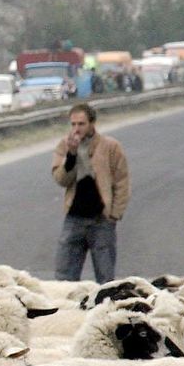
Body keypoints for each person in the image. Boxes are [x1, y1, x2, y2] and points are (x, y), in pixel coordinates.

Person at [50, 103, 129, 282]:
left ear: (92, 123)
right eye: (73, 124)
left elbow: (122, 182)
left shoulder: (110, 146)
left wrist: (114, 214)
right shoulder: (65, 145)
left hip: (101, 220)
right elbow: (61, 180)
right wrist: (71, 156)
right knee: (64, 277)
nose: (76, 129)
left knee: (105, 277)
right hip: (74, 218)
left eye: (81, 124)